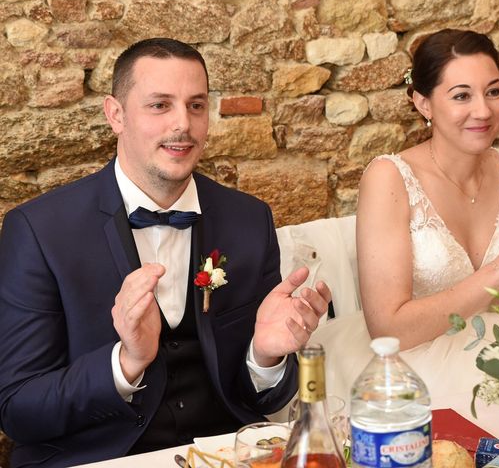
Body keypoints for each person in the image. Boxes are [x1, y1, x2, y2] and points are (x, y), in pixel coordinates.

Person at [0, 38, 330, 468]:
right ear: (115, 114)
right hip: (94, 458)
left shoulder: (248, 219)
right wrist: (126, 363)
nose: (184, 125)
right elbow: (18, 409)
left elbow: (259, 398)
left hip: (223, 454)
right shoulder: (40, 230)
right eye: (160, 105)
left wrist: (265, 357)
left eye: (196, 106)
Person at [310, 29, 499, 409]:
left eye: (493, 91)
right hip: (411, 366)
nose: (483, 110)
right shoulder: (388, 177)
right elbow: (389, 327)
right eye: (462, 95)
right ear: (423, 103)